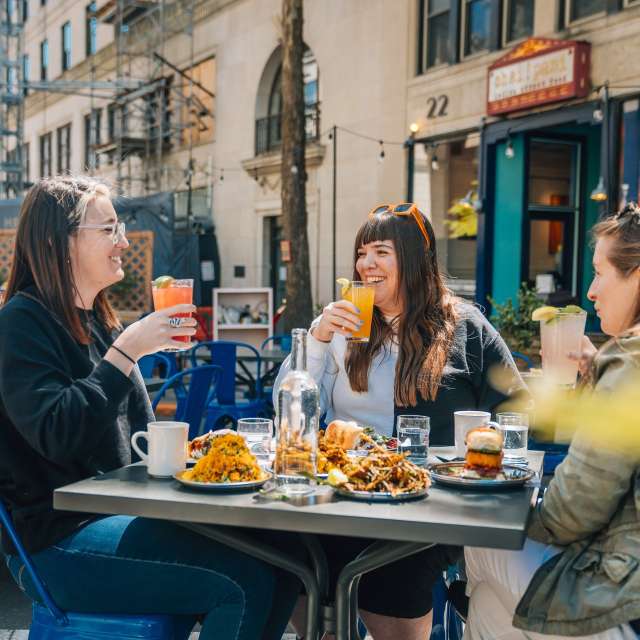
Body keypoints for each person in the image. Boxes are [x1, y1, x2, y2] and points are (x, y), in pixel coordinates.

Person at [0, 176, 299, 640]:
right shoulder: (21, 322)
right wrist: (126, 351)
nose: (122, 241)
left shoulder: (96, 320)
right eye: (109, 230)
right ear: (60, 242)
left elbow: (139, 443)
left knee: (285, 560)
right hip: (56, 542)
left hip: (117, 516)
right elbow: (57, 434)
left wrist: (207, 456)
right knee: (243, 583)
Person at [275, 203, 526, 640]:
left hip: (430, 509)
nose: (365, 264)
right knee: (288, 552)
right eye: (361, 253)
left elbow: (517, 409)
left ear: (414, 260)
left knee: (392, 573)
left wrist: (479, 462)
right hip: (343, 496)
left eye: (380, 252)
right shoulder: (341, 326)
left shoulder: (464, 326)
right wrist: (316, 338)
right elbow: (287, 406)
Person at [464, 203, 640, 640]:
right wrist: (595, 373)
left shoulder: (630, 360)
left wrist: (513, 505)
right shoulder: (621, 364)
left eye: (600, 273)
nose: (592, 291)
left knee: (480, 543)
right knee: (489, 609)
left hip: (619, 601)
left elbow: (569, 514)